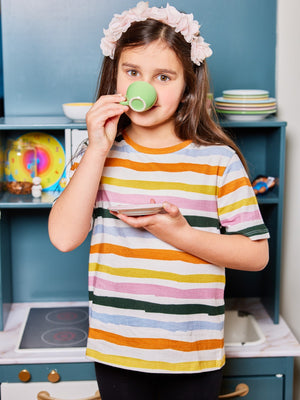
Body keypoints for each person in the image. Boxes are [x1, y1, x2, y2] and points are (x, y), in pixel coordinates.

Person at [48, 2, 269, 399]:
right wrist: (98, 148)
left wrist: (178, 233)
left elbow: (256, 256)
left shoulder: (217, 160)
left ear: (187, 88)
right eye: (132, 73)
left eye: (163, 77)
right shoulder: (95, 154)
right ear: (115, 77)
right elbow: (64, 237)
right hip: (117, 350)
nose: (143, 88)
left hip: (192, 354)